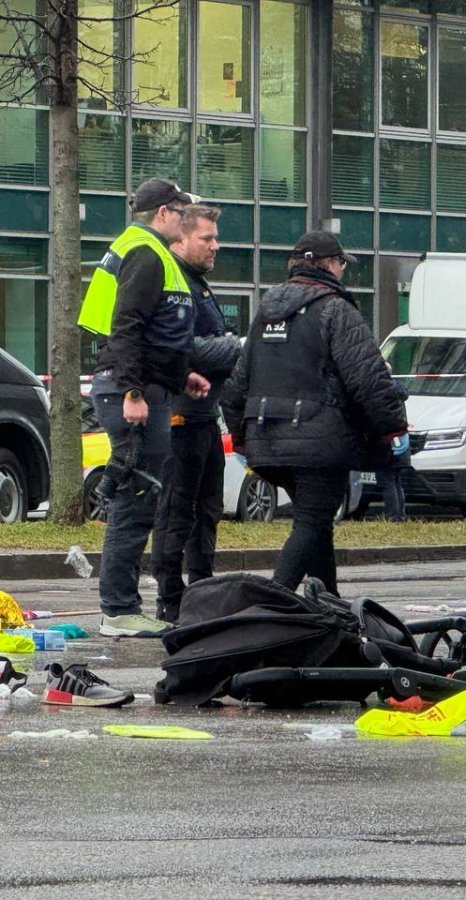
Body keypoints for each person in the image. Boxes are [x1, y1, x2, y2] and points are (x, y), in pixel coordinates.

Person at [221, 231, 406, 596]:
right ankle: (274, 602)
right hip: (319, 441)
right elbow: (367, 377)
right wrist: (392, 426)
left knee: (318, 522)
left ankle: (329, 603)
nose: (342, 271)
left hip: (266, 440)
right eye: (340, 263)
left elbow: (237, 382)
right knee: (311, 520)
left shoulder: (265, 313)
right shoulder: (336, 309)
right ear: (328, 265)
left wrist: (240, 436)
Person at [79, 178, 212, 638]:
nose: (186, 218)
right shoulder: (146, 253)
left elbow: (156, 332)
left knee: (138, 495)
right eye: (181, 210)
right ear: (163, 213)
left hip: (144, 387)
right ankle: (118, 609)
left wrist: (180, 377)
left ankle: (121, 606)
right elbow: (128, 324)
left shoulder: (148, 250)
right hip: (131, 392)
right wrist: (134, 392)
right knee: (136, 500)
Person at [150, 204, 240, 623]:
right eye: (206, 238)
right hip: (179, 417)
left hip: (206, 417)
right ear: (180, 239)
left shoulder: (199, 284)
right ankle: (170, 597)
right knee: (177, 509)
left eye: (216, 237)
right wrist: (236, 348)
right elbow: (186, 350)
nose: (215, 245)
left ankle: (202, 592)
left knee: (208, 510)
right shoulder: (176, 283)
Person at [375, 363, 411, 522]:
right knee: (396, 481)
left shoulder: (381, 392)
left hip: (388, 442)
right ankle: (401, 514)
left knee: (387, 480)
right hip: (402, 441)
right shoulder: (399, 391)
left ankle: (392, 516)